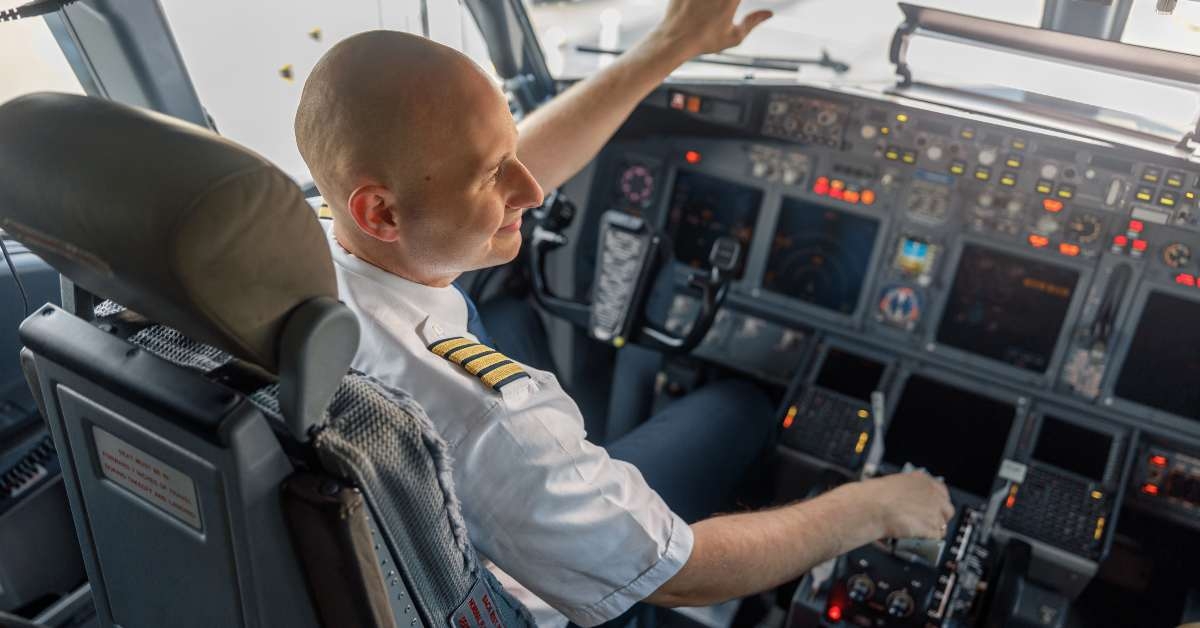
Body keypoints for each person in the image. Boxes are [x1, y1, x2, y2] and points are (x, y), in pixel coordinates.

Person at [293, 2, 954, 626]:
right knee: (742, 407)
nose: (530, 189)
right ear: (379, 211)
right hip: (549, 603)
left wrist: (672, 45)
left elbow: (494, 180)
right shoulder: (494, 422)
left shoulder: (300, 253)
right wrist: (874, 506)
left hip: (411, 557)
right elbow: (681, 573)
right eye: (495, 173)